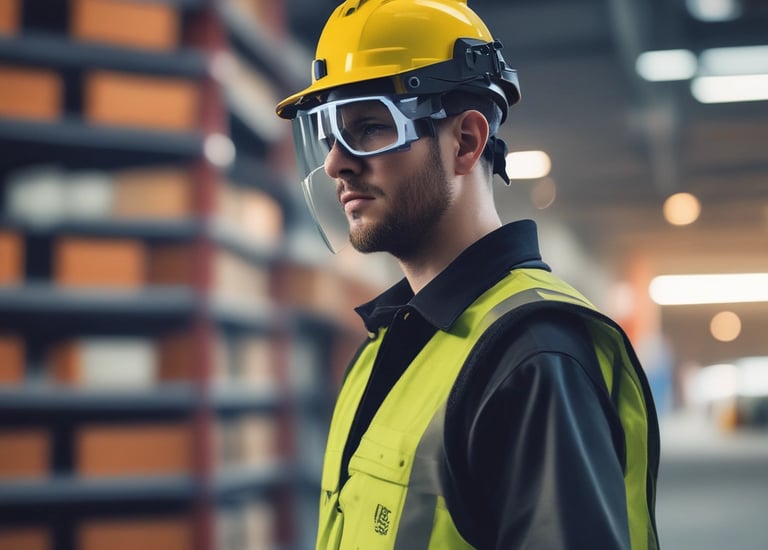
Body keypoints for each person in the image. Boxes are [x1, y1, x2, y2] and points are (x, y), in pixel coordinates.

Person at [276, 1, 660, 548]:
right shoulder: (380, 350)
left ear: (465, 142)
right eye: (329, 134)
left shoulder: (531, 355)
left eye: (369, 127)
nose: (337, 162)